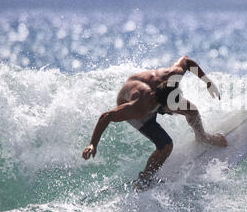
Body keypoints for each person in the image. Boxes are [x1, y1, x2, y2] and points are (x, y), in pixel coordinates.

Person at [82, 55, 227, 187]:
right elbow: (106, 116)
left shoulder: (172, 76)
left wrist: (207, 81)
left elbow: (187, 61)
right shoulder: (139, 107)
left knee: (192, 110)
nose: (173, 112)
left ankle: (202, 136)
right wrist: (93, 144)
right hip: (133, 100)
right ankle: (144, 179)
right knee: (166, 146)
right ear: (162, 107)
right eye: (171, 109)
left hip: (155, 93)